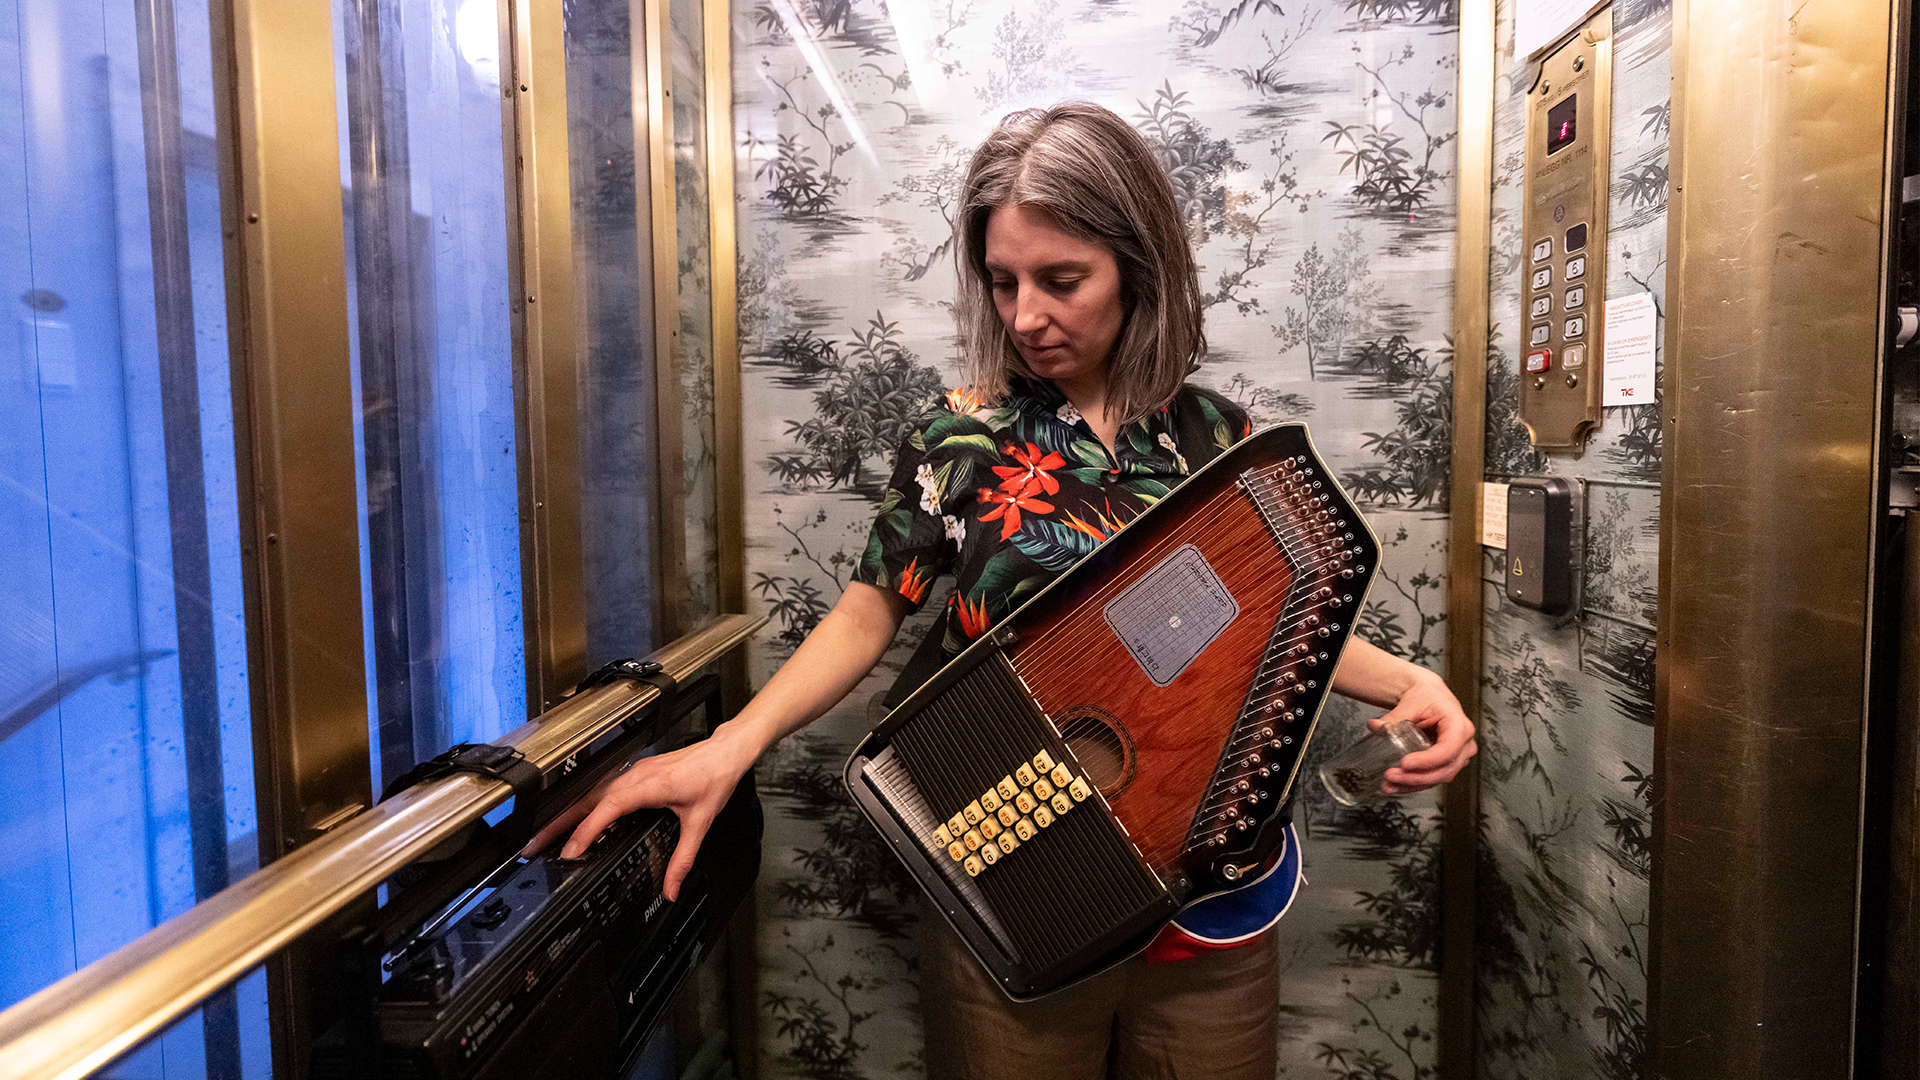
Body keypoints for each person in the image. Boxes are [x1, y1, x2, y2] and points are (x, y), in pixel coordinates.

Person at [528, 101, 1477, 1080]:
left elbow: (1272, 631)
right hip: (1012, 877)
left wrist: (1413, 683)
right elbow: (868, 610)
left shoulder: (1221, 443)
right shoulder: (961, 435)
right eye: (1002, 281)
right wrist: (732, 746)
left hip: (1206, 898)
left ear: (1138, 268)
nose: (1024, 316)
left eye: (1061, 280)